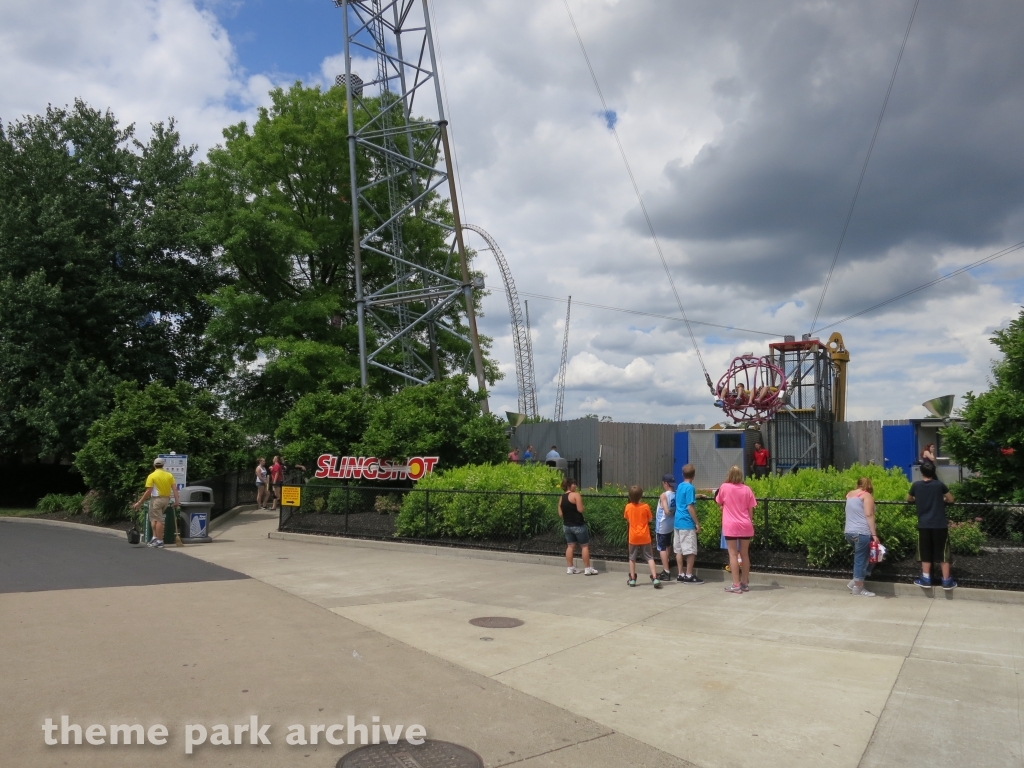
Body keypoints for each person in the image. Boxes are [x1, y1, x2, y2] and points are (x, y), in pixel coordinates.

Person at [908, 462, 956, 590]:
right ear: (934, 471)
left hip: (924, 524)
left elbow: (909, 498)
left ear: (921, 472)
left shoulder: (916, 485)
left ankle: (925, 578)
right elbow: (951, 499)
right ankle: (946, 580)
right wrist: (943, 500)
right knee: (943, 553)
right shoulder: (939, 485)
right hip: (939, 524)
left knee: (925, 552)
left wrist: (918, 499)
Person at [717, 465, 757, 593]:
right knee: (744, 554)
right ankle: (744, 583)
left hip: (730, 525)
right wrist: (750, 522)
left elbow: (719, 502)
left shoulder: (724, 487)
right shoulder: (747, 489)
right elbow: (751, 510)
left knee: (733, 554)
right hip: (745, 524)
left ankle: (736, 584)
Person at [132, 457, 181, 549]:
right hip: (166, 499)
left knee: (158, 520)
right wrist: (177, 501)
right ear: (163, 465)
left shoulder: (152, 476)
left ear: (154, 465)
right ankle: (155, 538)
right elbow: (174, 488)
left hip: (156, 500)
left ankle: (159, 541)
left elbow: (148, 491)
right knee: (154, 518)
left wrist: (139, 502)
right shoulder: (169, 475)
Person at [845, 478, 880, 597]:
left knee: (868, 557)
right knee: (863, 558)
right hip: (862, 532)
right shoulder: (866, 496)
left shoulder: (849, 494)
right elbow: (869, 514)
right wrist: (874, 534)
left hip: (849, 532)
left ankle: (855, 581)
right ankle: (858, 588)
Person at [624, 485, 661, 588]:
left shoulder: (628, 507)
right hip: (645, 536)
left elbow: (628, 519)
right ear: (641, 496)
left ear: (630, 497)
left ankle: (632, 579)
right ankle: (655, 577)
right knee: (649, 557)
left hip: (633, 537)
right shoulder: (645, 506)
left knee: (632, 558)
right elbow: (649, 519)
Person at [559, 477, 597, 575]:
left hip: (567, 525)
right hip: (578, 524)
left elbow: (560, 513)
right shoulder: (576, 495)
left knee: (570, 546)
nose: (575, 486)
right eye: (573, 484)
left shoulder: (561, 497)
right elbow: (580, 510)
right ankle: (587, 568)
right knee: (584, 546)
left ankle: (570, 568)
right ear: (568, 485)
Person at [674, 464, 704, 584]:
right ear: (694, 475)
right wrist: (697, 523)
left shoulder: (680, 486)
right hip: (687, 522)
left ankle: (680, 574)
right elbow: (690, 506)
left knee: (679, 550)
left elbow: (683, 498)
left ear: (683, 474)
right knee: (690, 551)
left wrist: (696, 496)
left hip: (677, 522)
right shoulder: (690, 488)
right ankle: (689, 575)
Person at [655, 474, 676, 580]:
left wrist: (668, 510)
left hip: (662, 524)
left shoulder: (664, 495)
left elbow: (666, 511)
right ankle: (666, 565)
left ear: (666, 483)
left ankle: (666, 571)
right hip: (670, 525)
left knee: (661, 547)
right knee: (668, 545)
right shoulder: (675, 494)